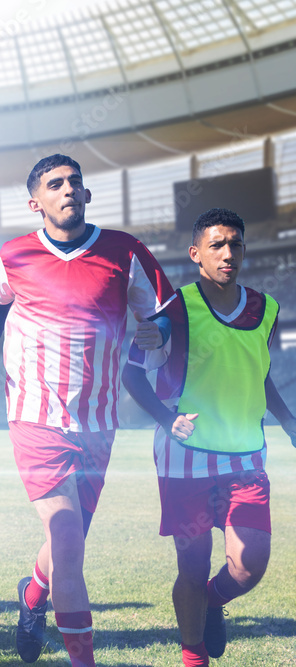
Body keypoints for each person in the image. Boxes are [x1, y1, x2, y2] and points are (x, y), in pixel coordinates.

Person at [0, 154, 175, 666]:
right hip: (35, 417)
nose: (67, 189)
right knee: (67, 534)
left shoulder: (125, 251)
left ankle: (31, 597)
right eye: (54, 183)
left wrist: (153, 338)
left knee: (66, 540)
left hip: (98, 424)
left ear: (87, 194)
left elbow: (167, 314)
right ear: (35, 202)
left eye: (75, 182)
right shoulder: (13, 256)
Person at [122, 207, 296, 667]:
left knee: (250, 564)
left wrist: (287, 419)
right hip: (186, 460)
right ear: (196, 253)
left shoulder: (267, 308)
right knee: (192, 569)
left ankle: (215, 601)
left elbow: (259, 376)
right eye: (216, 245)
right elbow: (133, 375)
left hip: (245, 459)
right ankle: (193, 657)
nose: (228, 253)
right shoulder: (176, 309)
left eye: (235, 244)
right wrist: (165, 419)